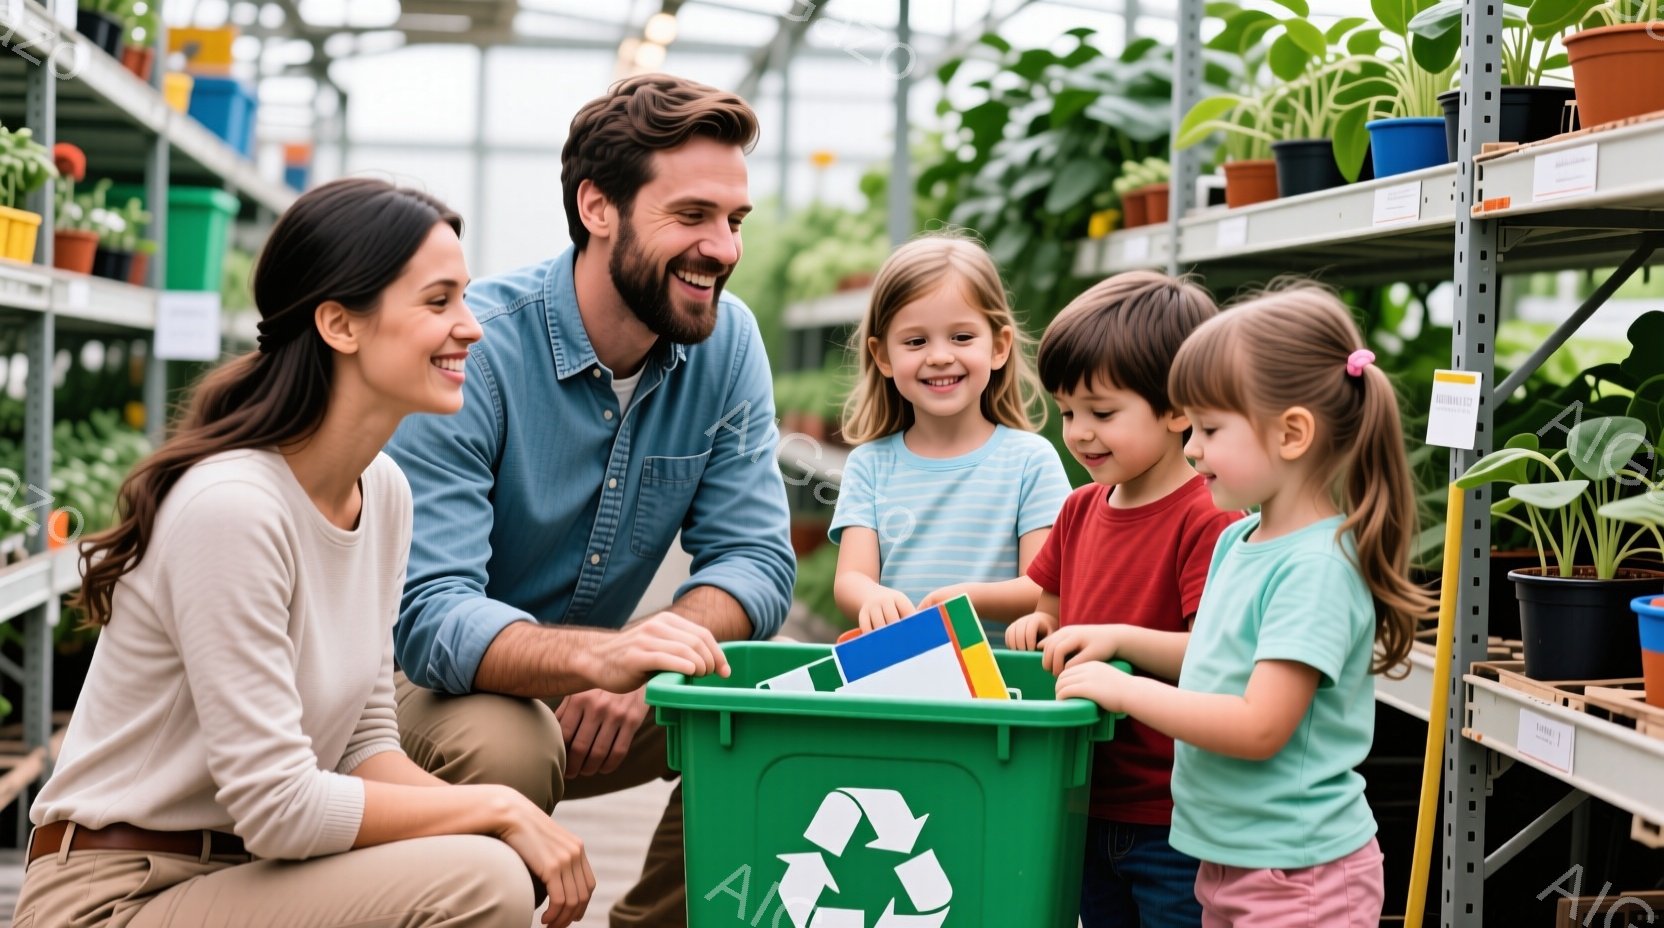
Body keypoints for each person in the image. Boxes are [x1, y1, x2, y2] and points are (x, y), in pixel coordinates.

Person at [11, 178, 631, 928]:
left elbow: (365, 743)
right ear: (340, 323)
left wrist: (508, 825)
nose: (472, 328)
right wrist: (497, 809)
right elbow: (278, 808)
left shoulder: (383, 490)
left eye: (464, 299)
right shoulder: (234, 508)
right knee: (481, 879)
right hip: (117, 893)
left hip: (244, 872)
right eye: (438, 303)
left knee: (495, 859)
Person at [383, 74, 794, 927]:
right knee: (508, 743)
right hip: (410, 697)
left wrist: (649, 657)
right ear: (598, 207)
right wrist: (596, 661)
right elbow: (429, 616)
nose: (722, 248)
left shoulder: (728, 341)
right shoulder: (479, 349)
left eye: (734, 221)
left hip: (597, 683)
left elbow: (755, 560)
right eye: (692, 217)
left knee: (764, 715)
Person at [1046, 283, 1434, 928]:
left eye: (1210, 428)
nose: (1191, 447)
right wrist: (1118, 638)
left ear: (1291, 433)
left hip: (1298, 871)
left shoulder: (1316, 570)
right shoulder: (1238, 538)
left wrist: (1126, 693)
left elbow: (1259, 726)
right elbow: (1215, 659)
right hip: (1228, 857)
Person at [1003, 271, 1239, 928]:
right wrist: (1037, 624)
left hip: (1170, 817)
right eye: (1068, 412)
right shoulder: (1079, 509)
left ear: (1177, 409)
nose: (1079, 433)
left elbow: (1214, 656)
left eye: (1103, 414)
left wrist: (1115, 640)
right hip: (1078, 796)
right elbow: (1051, 607)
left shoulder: (1208, 517)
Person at [828, 232, 1070, 638]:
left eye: (961, 337)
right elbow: (851, 578)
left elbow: (1043, 587)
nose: (940, 356)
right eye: (916, 341)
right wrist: (871, 597)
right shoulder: (869, 464)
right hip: (902, 673)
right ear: (883, 356)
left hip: (1003, 687)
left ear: (999, 346)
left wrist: (964, 600)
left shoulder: (1030, 461)